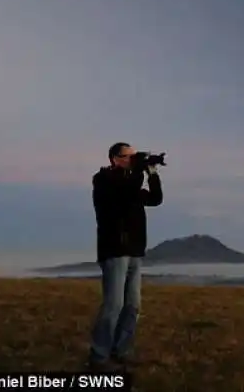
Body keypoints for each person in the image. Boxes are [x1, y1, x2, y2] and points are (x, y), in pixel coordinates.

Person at [86, 142, 163, 372]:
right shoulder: (104, 181)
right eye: (128, 156)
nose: (132, 159)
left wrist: (152, 172)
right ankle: (99, 357)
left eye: (133, 156)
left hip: (135, 251)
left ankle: (121, 352)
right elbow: (125, 190)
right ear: (114, 159)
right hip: (115, 250)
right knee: (114, 305)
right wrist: (139, 170)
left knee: (132, 306)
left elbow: (156, 199)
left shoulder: (131, 182)